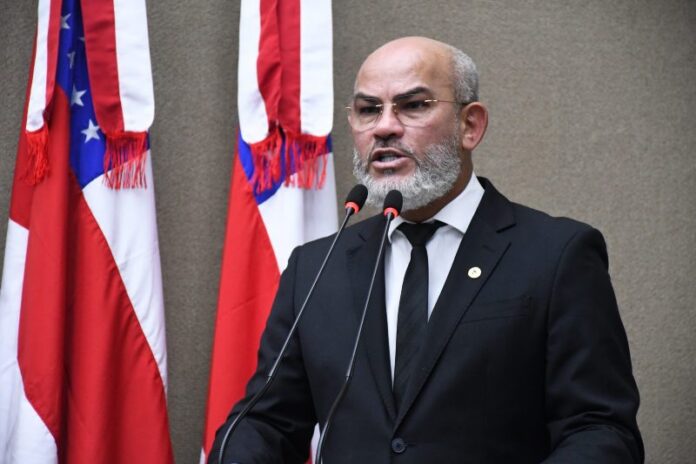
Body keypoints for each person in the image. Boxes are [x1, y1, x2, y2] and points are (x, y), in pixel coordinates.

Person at [209, 36, 644, 463]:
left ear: (470, 125)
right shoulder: (317, 268)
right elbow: (267, 422)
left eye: (413, 105)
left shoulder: (556, 255)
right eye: (368, 109)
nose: (384, 127)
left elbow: (600, 430)